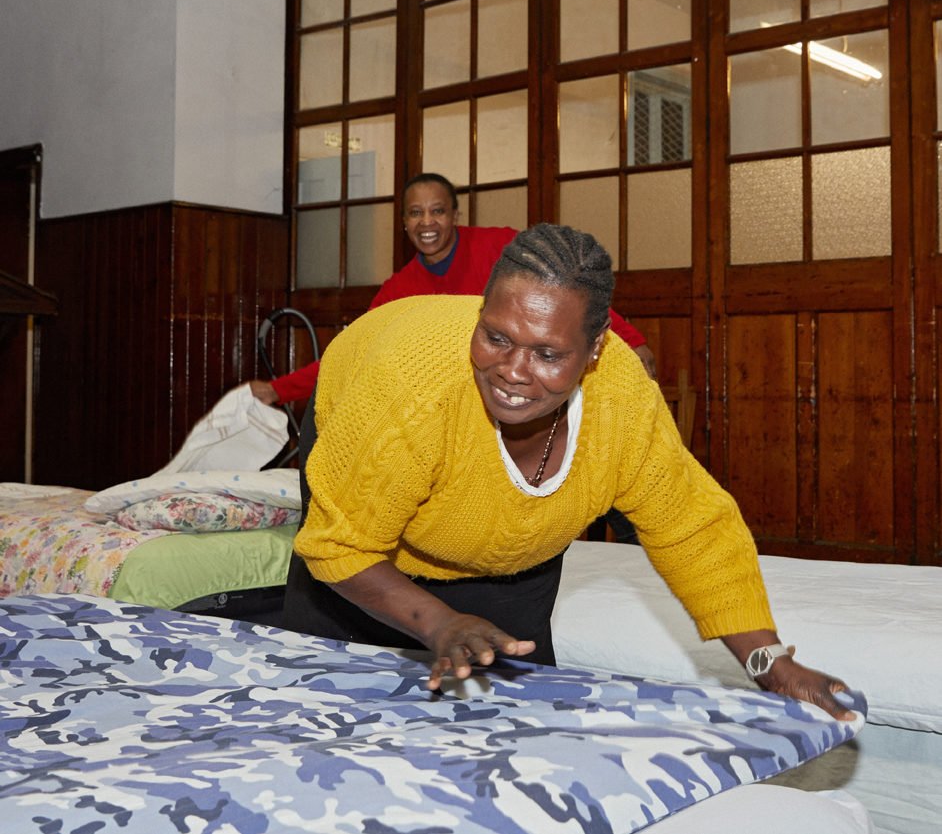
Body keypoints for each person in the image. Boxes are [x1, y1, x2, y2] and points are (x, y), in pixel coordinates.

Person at [283, 223, 855, 722]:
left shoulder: (622, 403)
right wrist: (437, 622)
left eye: (548, 354)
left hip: (509, 549)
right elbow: (340, 545)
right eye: (496, 337)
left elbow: (692, 527)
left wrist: (770, 664)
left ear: (595, 348)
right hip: (367, 415)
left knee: (514, 701)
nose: (513, 371)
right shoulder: (408, 393)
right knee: (341, 686)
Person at [250, 173, 656, 405]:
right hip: (459, 408)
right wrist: (277, 390)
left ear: (455, 215)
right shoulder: (397, 291)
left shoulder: (502, 248)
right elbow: (351, 354)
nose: (427, 222)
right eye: (415, 213)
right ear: (404, 223)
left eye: (437, 211)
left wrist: (632, 341)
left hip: (534, 389)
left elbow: (568, 293)